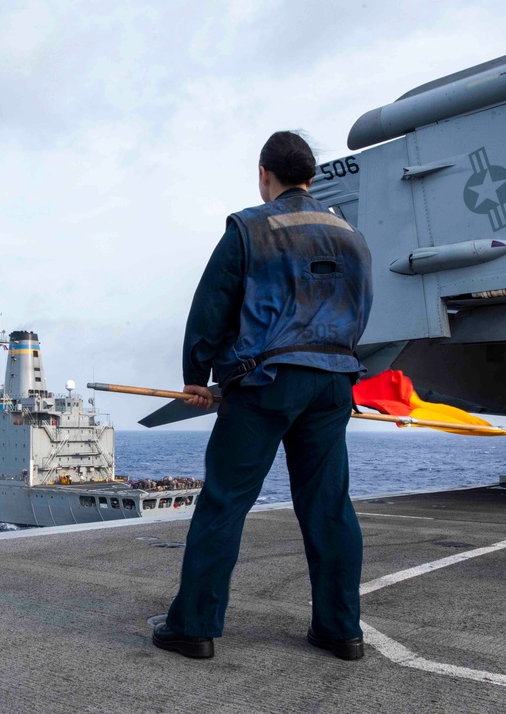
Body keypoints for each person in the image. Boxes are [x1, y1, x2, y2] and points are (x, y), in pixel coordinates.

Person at [152, 131, 373, 661]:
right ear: (311, 177)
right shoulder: (352, 235)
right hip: (334, 381)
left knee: (225, 502)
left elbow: (212, 304)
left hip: (265, 382)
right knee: (329, 506)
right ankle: (341, 630)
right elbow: (362, 307)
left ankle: (194, 627)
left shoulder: (249, 227)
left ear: (263, 174)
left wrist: (196, 373)